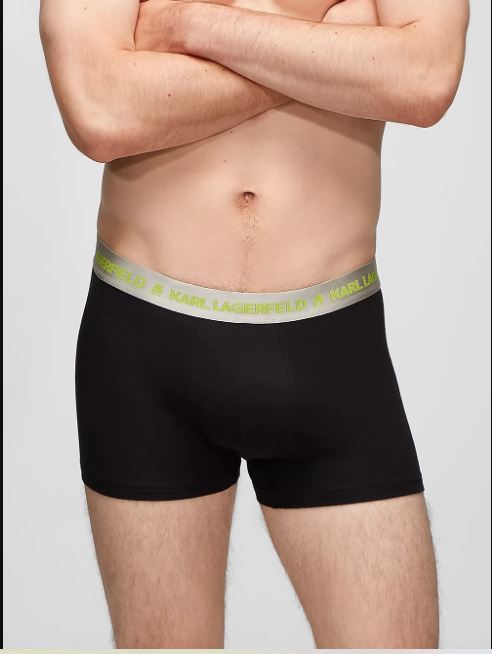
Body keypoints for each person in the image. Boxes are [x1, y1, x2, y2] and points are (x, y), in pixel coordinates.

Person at [40, 0, 469, 647]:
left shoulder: (188, 19)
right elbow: (100, 111)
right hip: (147, 342)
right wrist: (334, 52)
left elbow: (425, 78)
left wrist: (193, 26)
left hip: (333, 342)